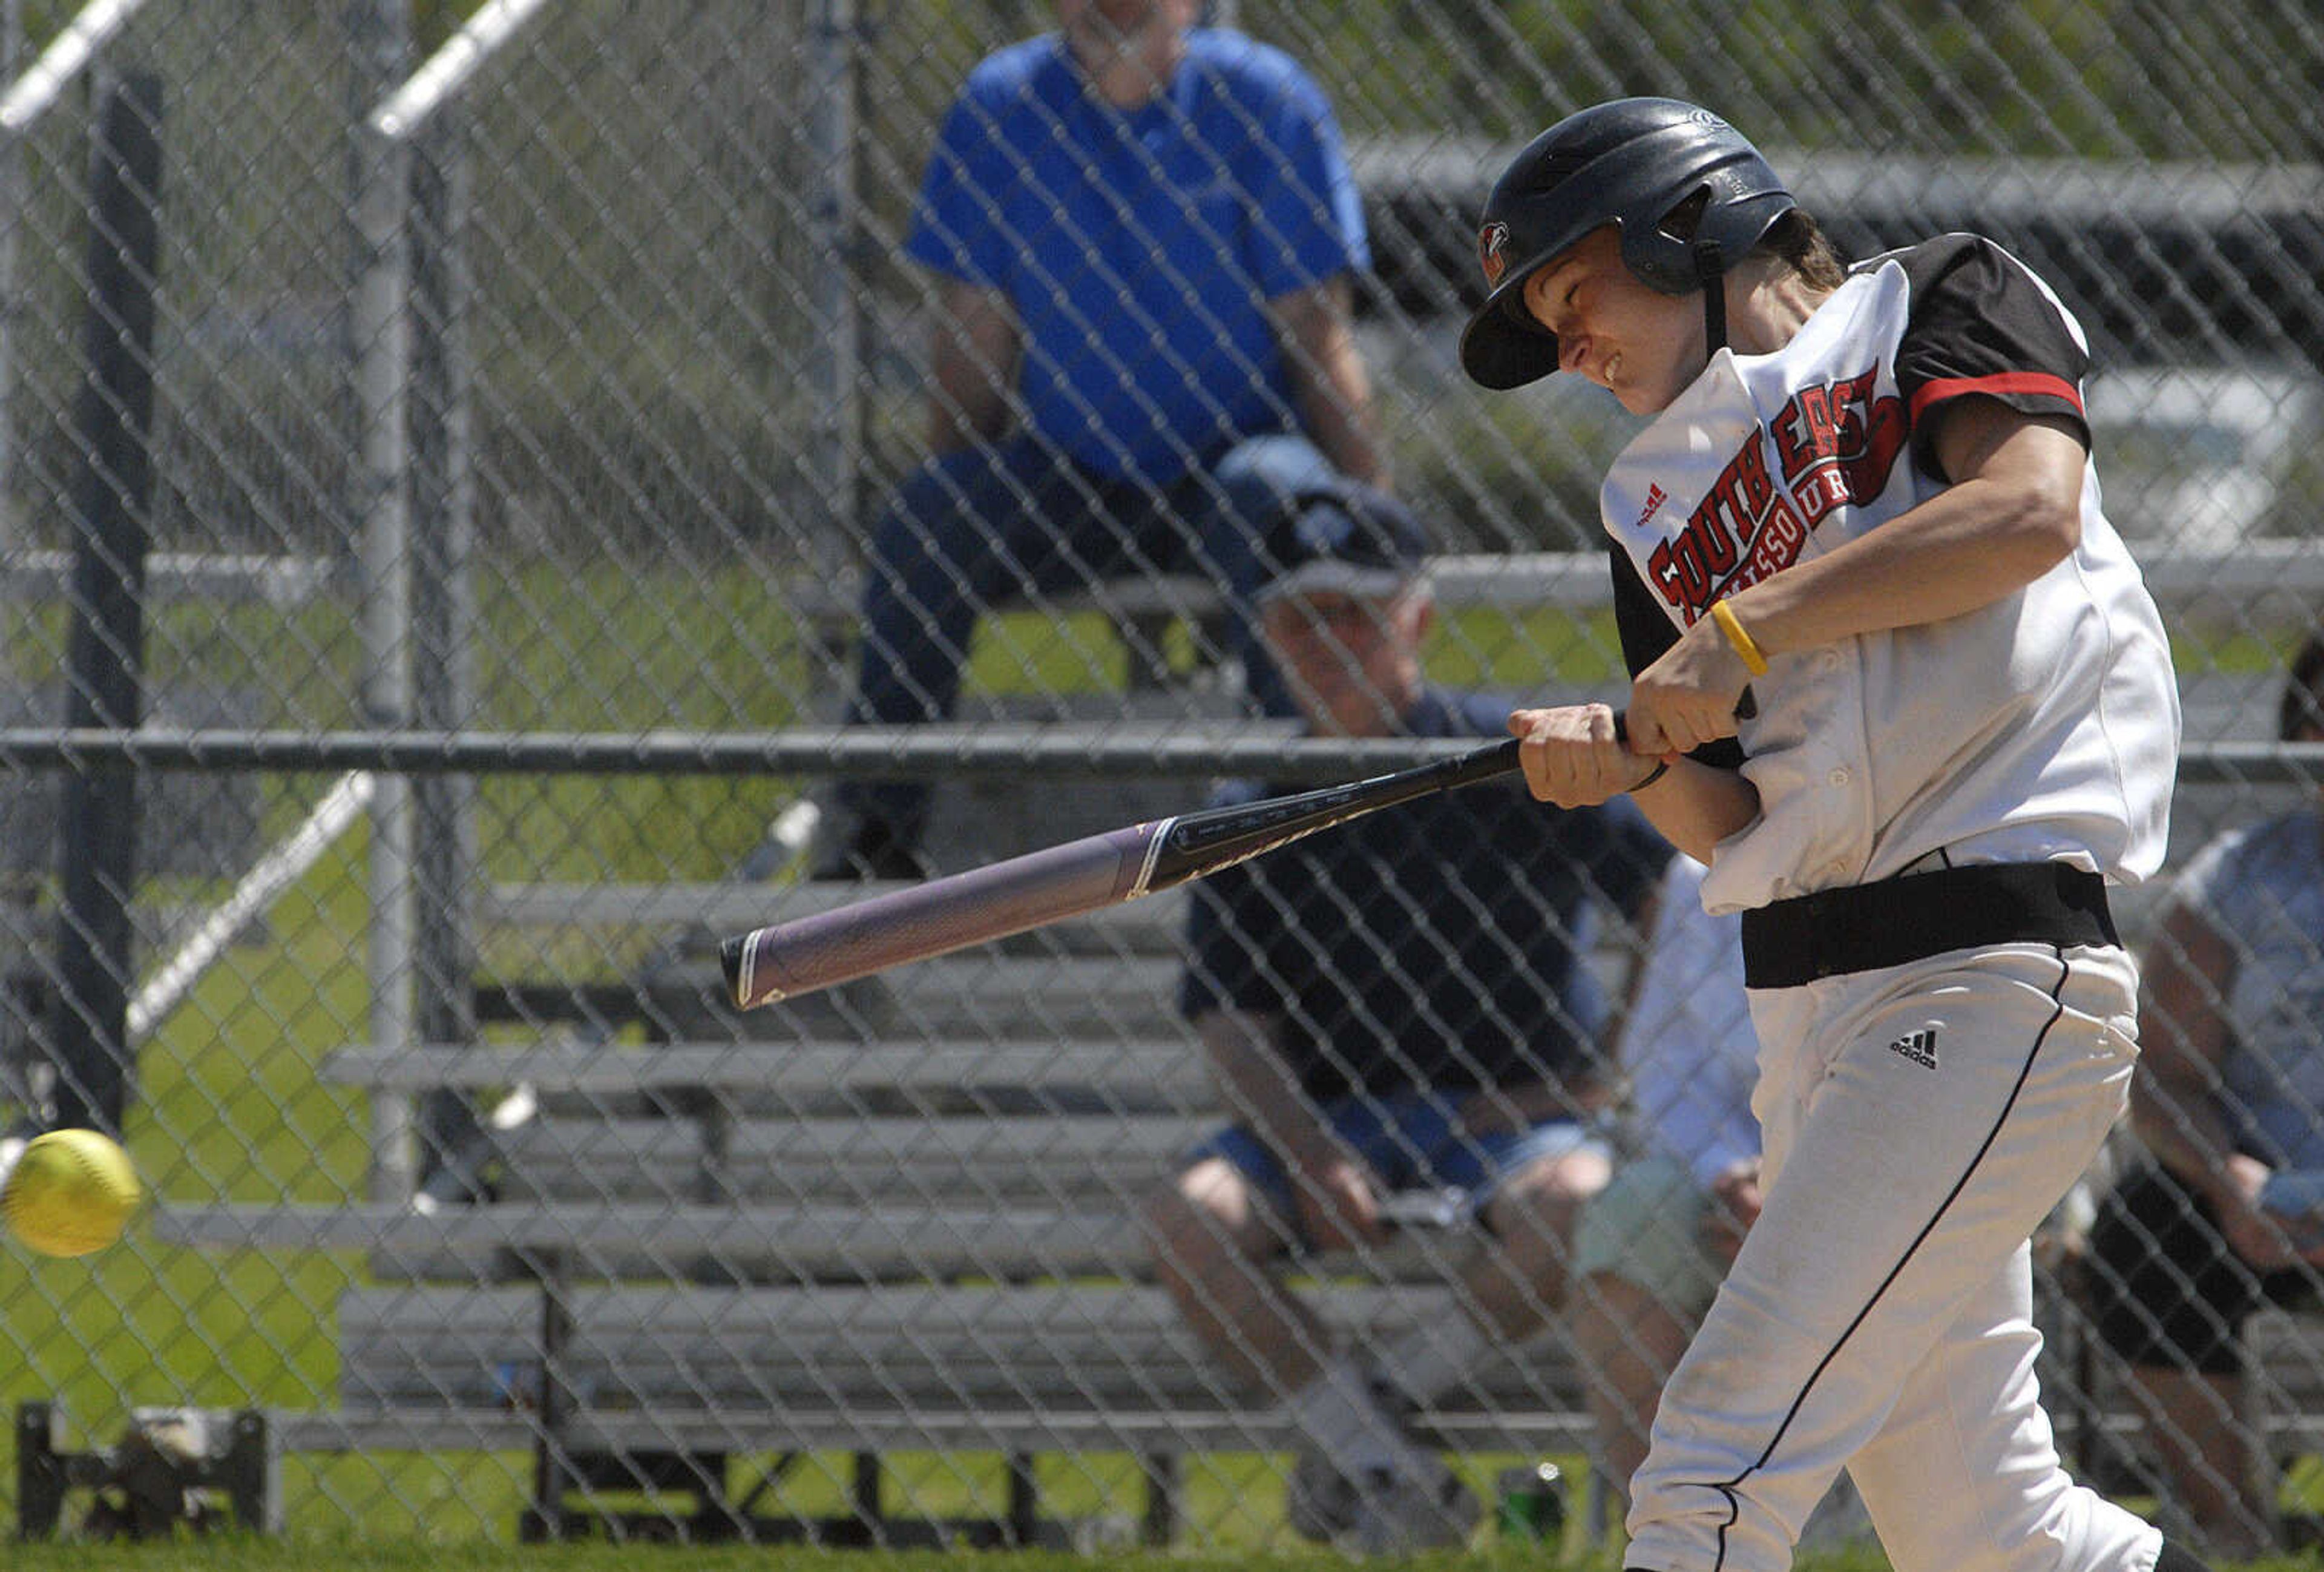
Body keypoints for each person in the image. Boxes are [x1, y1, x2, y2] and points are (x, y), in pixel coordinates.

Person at [1466, 97, 2203, 1572]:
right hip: (1812, 1012)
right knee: (1988, 1534)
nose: (1569, 347)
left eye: (1575, 293)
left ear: (1688, 224)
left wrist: (1740, 628)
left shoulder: (1930, 298)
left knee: (1708, 1471)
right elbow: (1733, 816)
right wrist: (1622, 764)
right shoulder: (1644, 503)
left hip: (1989, 964)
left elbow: (2023, 513)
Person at [1138, 484, 1672, 1554]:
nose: (1327, 641)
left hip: (1514, 1125)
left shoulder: (1507, 756)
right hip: (1328, 1126)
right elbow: (1232, 1023)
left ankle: (1364, 1434)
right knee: (1187, 1216)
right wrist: (1310, 1151)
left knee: (1581, 1198)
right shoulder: (1256, 796)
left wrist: (1615, 1070)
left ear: (1416, 620)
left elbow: (1678, 901)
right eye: (1299, 617)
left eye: (1355, 612)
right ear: (1266, 637)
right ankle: (1393, 1465)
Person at [813, 0, 1389, 878]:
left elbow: (1317, 332)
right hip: (1073, 476)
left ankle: (1303, 840)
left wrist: (1372, 516)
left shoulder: (1264, 100)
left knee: (1280, 501)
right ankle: (873, 849)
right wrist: (961, 503)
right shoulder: (1001, 106)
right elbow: (976, 335)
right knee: (933, 515)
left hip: (1234, 467)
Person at [2081, 631, 2324, 1558]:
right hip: (2266, 1188)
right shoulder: (2240, 875)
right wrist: (2231, 1181)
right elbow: (2164, 1077)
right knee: (2143, 1229)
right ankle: (2233, 1526)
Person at [1569, 852, 1872, 1549]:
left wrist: (1795, 1185)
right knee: (1628, 1218)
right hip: (1724, 1167)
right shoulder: (1694, 872)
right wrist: (1732, 1173)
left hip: (1875, 1164)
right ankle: (1670, 1533)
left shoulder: (1909, 839)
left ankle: (1842, 1535)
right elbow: (1659, 1059)